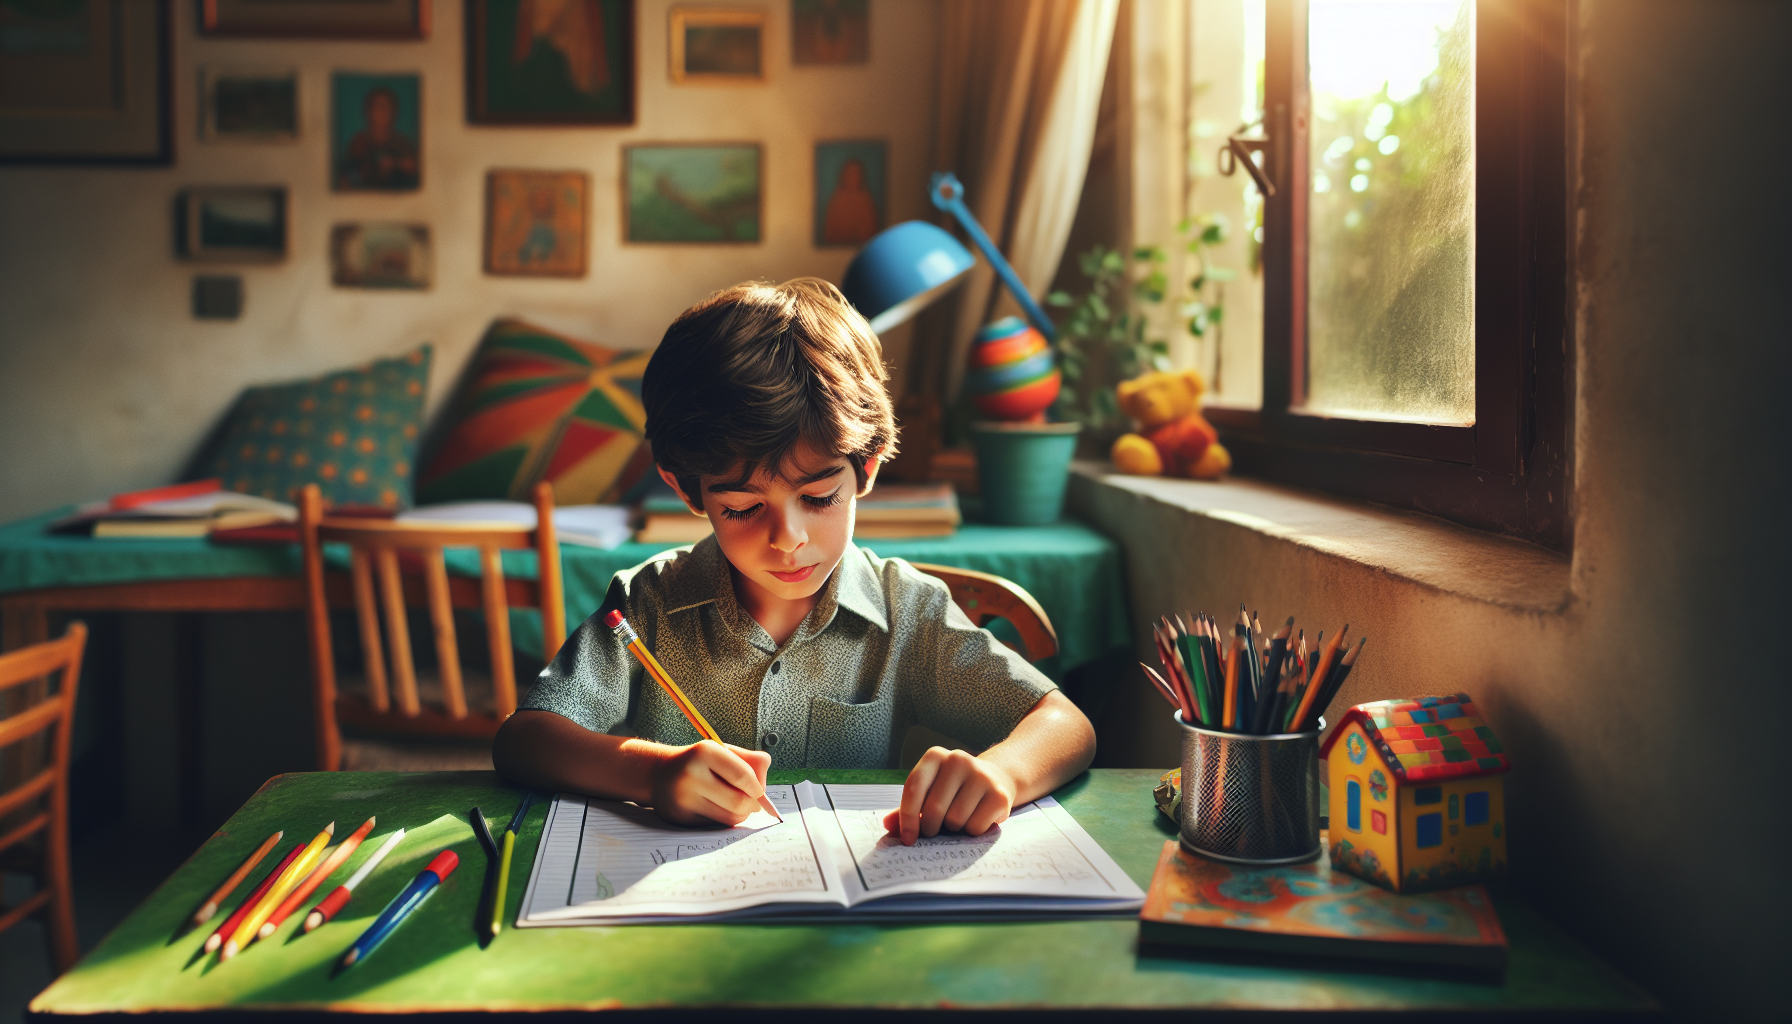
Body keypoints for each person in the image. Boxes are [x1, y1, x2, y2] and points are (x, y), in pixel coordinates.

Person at [493, 279, 1095, 845]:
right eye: (742, 508)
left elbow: (1067, 726)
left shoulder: (907, 611)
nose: (788, 539)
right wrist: (650, 775)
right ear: (687, 491)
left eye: (816, 498)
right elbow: (525, 739)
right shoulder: (650, 602)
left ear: (869, 464)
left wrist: (1004, 774)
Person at [336, 86, 418, 191]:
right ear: (368, 112)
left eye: (387, 108)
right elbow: (346, 181)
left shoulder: (402, 143)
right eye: (378, 107)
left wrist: (397, 164)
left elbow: (414, 172)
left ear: (394, 113)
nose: (383, 113)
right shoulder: (359, 142)